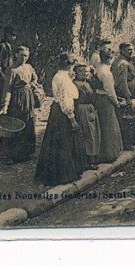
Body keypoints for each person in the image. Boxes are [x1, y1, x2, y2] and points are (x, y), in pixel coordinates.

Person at [35, 52, 87, 186]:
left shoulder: (59, 75)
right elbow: (66, 101)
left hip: (57, 112)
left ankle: (56, 174)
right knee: (65, 143)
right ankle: (64, 174)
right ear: (69, 65)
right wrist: (72, 118)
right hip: (63, 114)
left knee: (56, 143)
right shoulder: (63, 79)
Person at [0, 44, 38, 163]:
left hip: (28, 98)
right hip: (16, 99)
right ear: (16, 55)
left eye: (26, 56)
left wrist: (32, 84)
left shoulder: (29, 67)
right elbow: (7, 89)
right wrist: (5, 105)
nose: (24, 58)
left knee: (28, 123)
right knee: (15, 125)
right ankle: (11, 154)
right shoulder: (12, 70)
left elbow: (35, 78)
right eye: (21, 55)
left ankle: (26, 152)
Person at [89, 46, 124, 162]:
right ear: (110, 58)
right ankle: (109, 154)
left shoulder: (98, 68)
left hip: (98, 98)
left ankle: (101, 153)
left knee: (101, 125)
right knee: (109, 125)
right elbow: (110, 91)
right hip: (105, 100)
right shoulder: (106, 72)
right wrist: (116, 102)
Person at [73, 62, 101, 168]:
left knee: (94, 132)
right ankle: (88, 161)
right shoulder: (75, 84)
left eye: (86, 71)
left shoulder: (88, 82)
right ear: (75, 72)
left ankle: (93, 157)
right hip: (82, 108)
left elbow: (97, 85)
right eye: (81, 71)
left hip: (90, 108)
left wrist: (93, 73)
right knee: (87, 133)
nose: (84, 73)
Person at [113, 43, 135, 149]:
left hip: (131, 89)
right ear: (122, 50)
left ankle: (132, 139)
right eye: (128, 50)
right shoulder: (122, 63)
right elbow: (122, 82)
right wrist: (128, 97)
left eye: (132, 50)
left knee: (132, 116)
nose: (131, 52)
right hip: (126, 91)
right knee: (127, 118)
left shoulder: (126, 61)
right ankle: (127, 143)